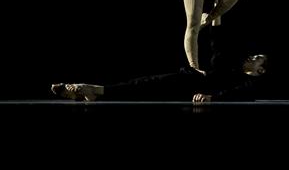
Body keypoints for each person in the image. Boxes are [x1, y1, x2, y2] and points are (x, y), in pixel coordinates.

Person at [51, 53, 269, 103]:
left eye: (257, 59)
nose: (252, 57)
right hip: (186, 80)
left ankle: (91, 90)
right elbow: (216, 57)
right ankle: (93, 90)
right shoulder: (233, 69)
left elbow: (239, 93)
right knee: (142, 84)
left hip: (187, 89)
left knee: (143, 87)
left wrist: (213, 97)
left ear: (261, 71)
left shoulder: (249, 83)